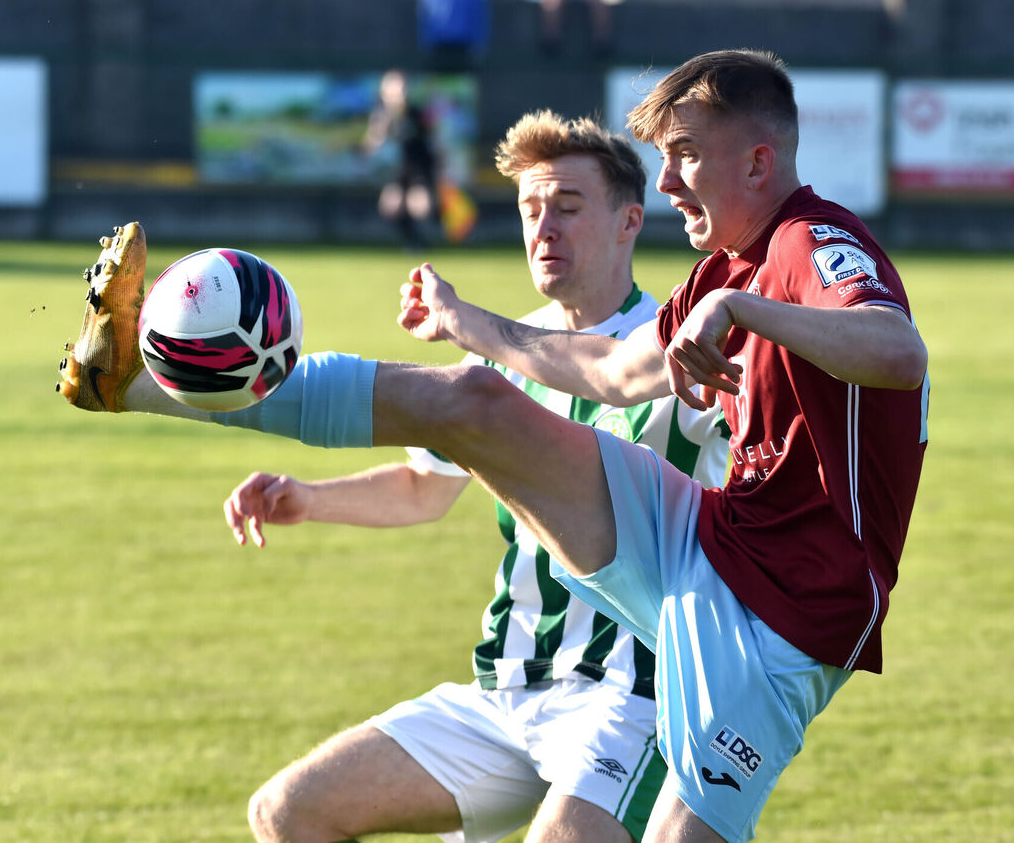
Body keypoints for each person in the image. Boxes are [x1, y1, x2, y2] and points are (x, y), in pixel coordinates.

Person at [58, 50, 929, 842]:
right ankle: (129, 382)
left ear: (759, 163)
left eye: (686, 155)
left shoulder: (813, 243)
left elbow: (898, 352)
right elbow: (618, 373)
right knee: (473, 400)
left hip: (780, 625)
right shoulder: (720, 273)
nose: (668, 182)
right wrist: (468, 325)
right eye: (660, 159)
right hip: (705, 544)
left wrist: (745, 313)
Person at [362, 69, 440, 250]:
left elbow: (433, 140)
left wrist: (439, 168)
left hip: (420, 168)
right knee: (390, 206)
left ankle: (425, 238)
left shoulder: (417, 114)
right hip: (398, 171)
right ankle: (413, 241)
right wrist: (378, 134)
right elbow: (371, 145)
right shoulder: (381, 117)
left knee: (421, 206)